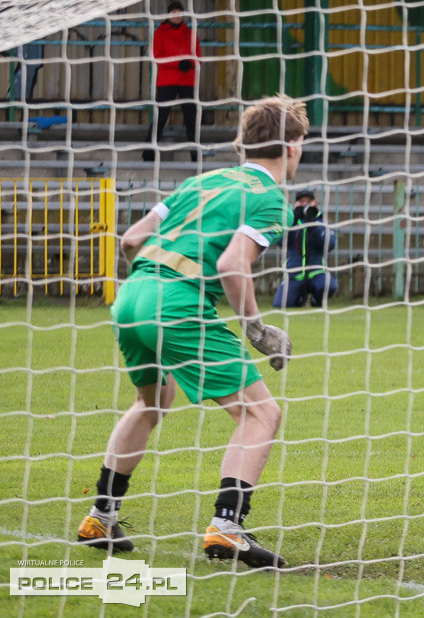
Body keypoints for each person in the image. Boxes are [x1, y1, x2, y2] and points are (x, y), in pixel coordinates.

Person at [76, 95, 309, 569]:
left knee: (151, 402)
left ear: (245, 143)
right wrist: (256, 329)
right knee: (261, 414)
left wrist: (150, 285)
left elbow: (130, 239)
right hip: (177, 303)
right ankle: (227, 527)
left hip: (132, 294)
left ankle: (101, 516)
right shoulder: (268, 199)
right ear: (292, 147)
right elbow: (231, 263)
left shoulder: (201, 180)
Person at [143, 0, 202, 163]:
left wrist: (190, 63)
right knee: (160, 117)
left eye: (179, 13)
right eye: (173, 13)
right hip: (167, 81)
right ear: (168, 15)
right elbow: (156, 56)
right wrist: (178, 63)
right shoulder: (160, 33)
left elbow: (198, 56)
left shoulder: (191, 33)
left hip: (187, 81)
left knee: (191, 119)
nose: (177, 16)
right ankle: (148, 154)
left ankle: (195, 156)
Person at [273, 189, 338, 308]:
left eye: (308, 201)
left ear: (314, 203)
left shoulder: (322, 222)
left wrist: (313, 226)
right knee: (280, 304)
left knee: (329, 285)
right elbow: (280, 242)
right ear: (296, 203)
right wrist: (292, 222)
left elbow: (330, 245)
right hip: (294, 273)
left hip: (317, 271)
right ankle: (299, 300)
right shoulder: (289, 222)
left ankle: (317, 301)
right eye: (302, 201)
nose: (305, 204)